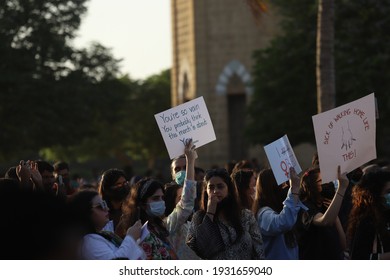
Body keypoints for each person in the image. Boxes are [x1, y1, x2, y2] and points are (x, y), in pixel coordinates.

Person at [116, 139, 197, 259]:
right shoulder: (135, 233)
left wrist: (191, 161)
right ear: (142, 203)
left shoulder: (164, 226)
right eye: (155, 198)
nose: (160, 202)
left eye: (161, 198)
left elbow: (186, 203)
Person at [186, 168, 264, 259]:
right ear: (206, 192)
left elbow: (259, 249)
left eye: (220, 186)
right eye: (211, 187)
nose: (215, 191)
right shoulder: (198, 218)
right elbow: (199, 249)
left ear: (229, 190)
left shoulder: (245, 216)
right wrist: (210, 213)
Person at [68, 190, 145, 260]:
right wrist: (131, 238)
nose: (107, 208)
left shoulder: (104, 234)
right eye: (100, 206)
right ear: (85, 212)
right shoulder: (89, 242)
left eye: (104, 204)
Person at [253, 167, 307, 259]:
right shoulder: (263, 214)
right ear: (272, 187)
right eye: (282, 185)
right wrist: (293, 189)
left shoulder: (278, 209)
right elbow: (283, 222)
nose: (286, 187)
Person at [297, 166, 349, 259]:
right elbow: (325, 221)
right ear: (311, 186)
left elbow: (343, 245)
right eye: (320, 181)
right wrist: (342, 188)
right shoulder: (305, 207)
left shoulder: (328, 205)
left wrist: (336, 217)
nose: (326, 183)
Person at [347, 168, 390, 259]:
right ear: (375, 194)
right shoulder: (366, 221)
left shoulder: (386, 213)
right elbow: (358, 257)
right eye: (388, 192)